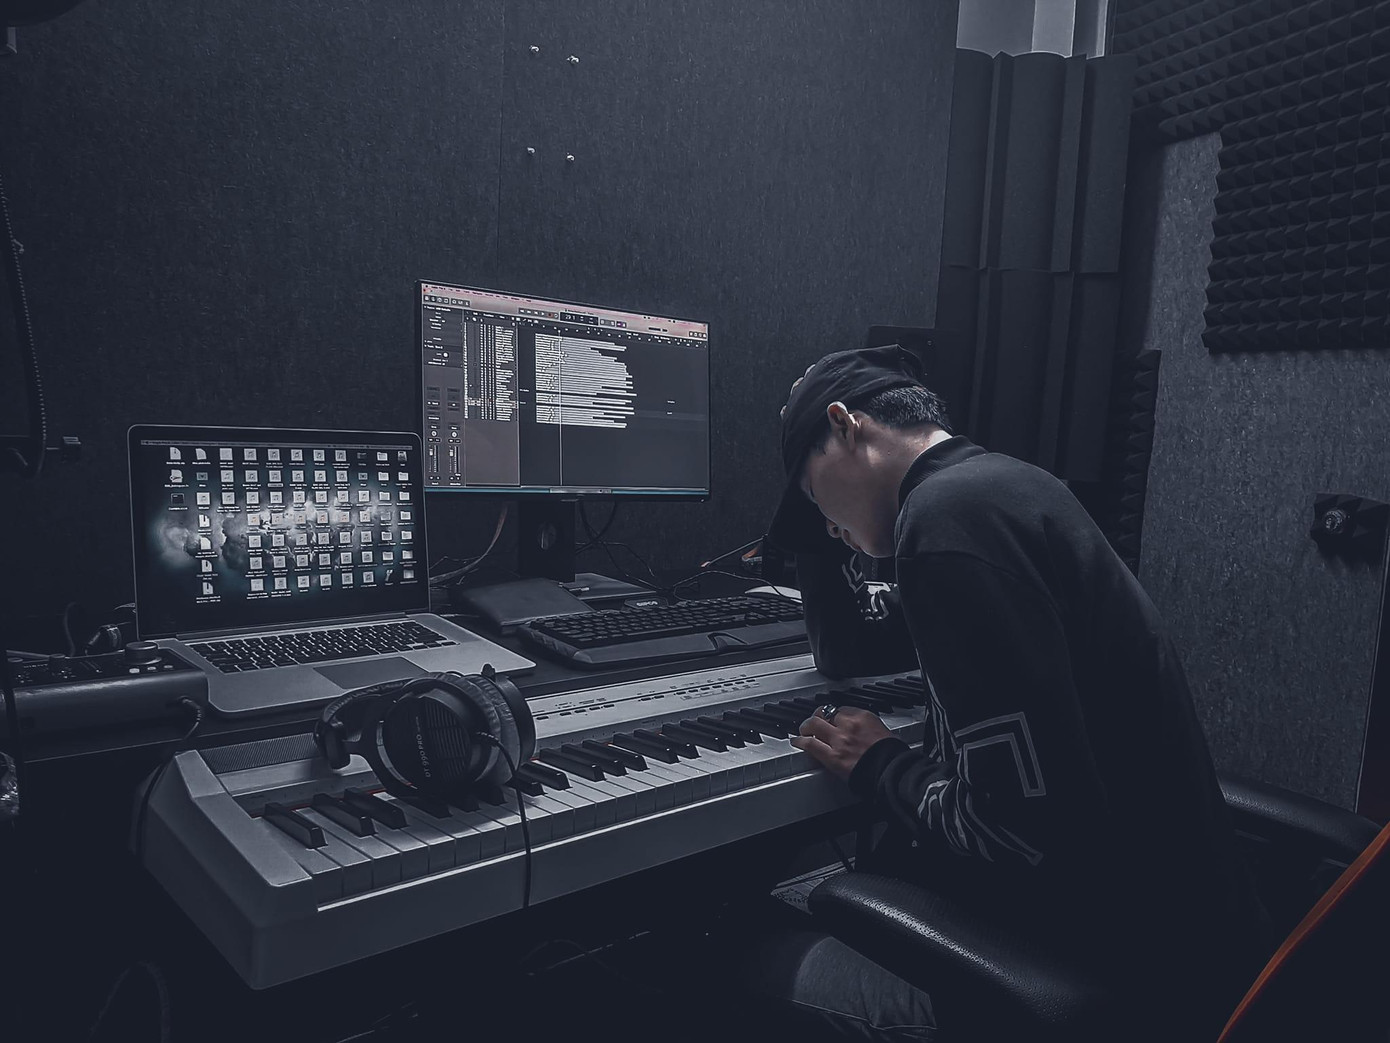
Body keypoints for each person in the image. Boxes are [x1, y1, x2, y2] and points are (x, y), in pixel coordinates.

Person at [715, 343, 1274, 1042]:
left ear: (846, 425)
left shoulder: (943, 526)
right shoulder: (1003, 487)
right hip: (1184, 940)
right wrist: (826, 528)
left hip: (1097, 975)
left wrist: (881, 763)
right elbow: (854, 651)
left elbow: (1015, 831)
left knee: (726, 948)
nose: (823, 522)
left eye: (809, 490)